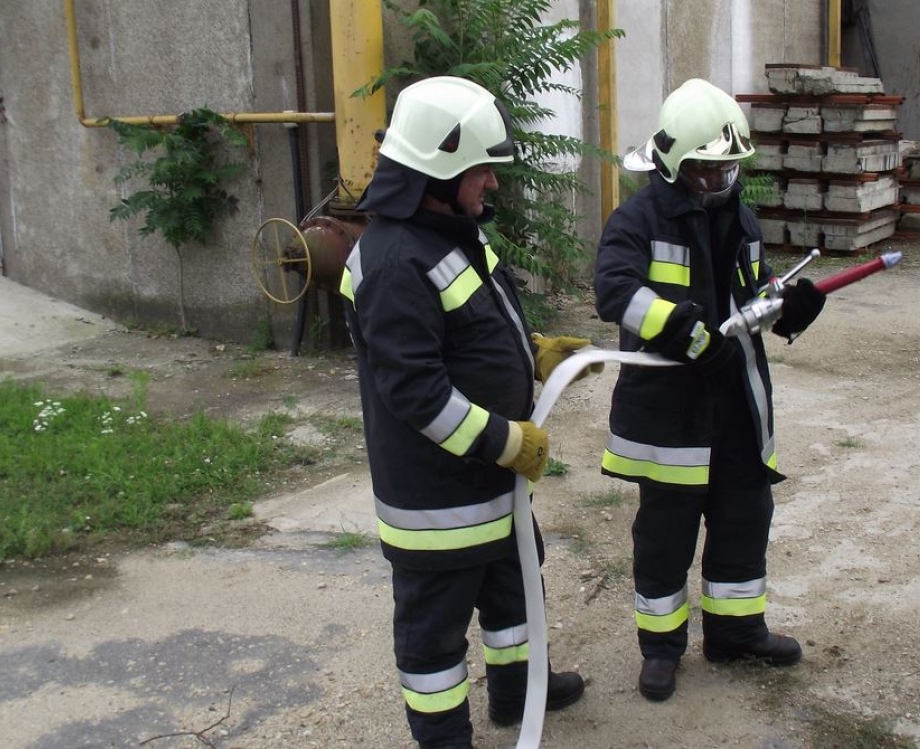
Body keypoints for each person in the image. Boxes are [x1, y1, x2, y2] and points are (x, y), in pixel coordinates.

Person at [339, 75, 593, 749]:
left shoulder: (451, 231)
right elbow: (417, 393)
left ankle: (516, 692)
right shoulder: (394, 261)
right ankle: (444, 737)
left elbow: (474, 329)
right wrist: (509, 443)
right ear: (439, 170)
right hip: (438, 504)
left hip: (489, 489)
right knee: (434, 635)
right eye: (482, 168)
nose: (493, 183)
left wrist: (534, 353)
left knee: (513, 595)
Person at [592, 78, 828, 702]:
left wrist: (789, 308)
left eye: (727, 167)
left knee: (742, 522)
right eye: (705, 168)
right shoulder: (636, 220)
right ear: (673, 164)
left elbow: (753, 295)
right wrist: (689, 336)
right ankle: (661, 651)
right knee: (665, 537)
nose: (719, 180)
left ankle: (736, 632)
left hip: (736, 410)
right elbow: (615, 292)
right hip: (671, 418)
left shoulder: (741, 218)